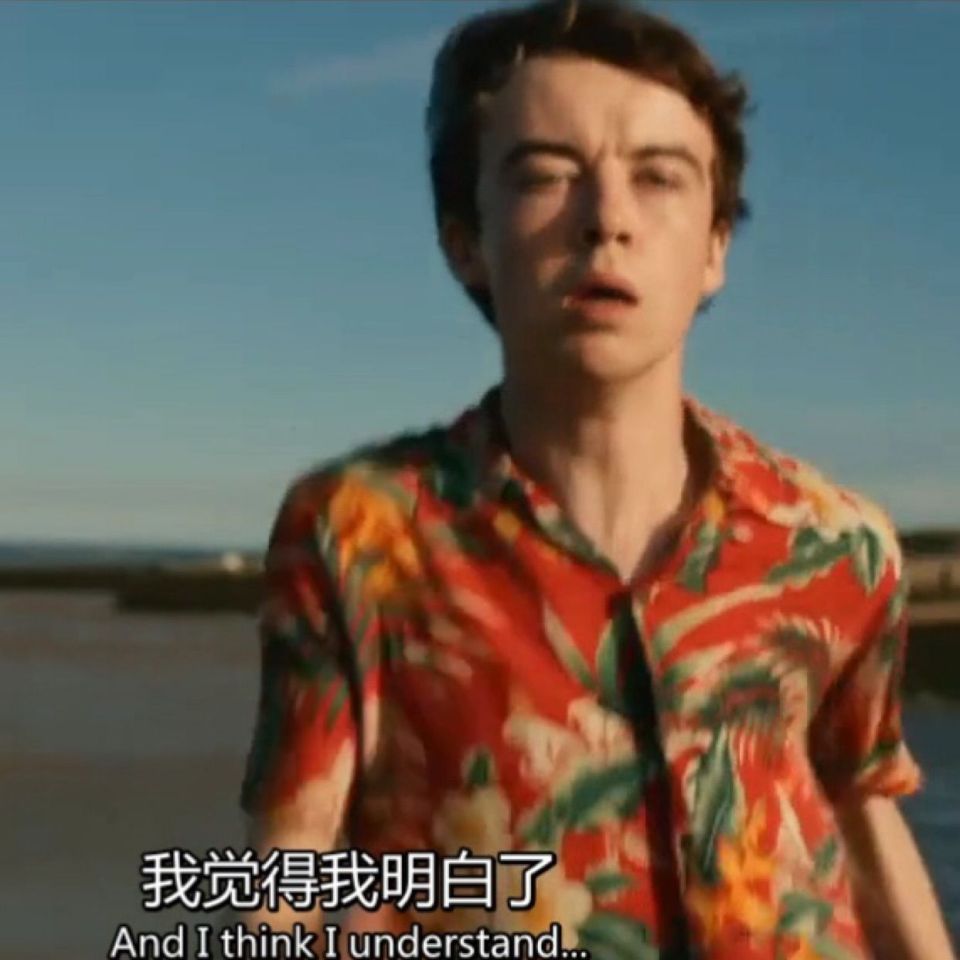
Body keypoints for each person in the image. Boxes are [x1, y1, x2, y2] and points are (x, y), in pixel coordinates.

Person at [239, 1, 956, 957]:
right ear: (464, 238)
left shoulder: (838, 544)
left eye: (659, 177)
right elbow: (294, 859)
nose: (606, 221)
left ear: (715, 247)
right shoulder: (358, 530)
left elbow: (860, 801)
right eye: (544, 175)